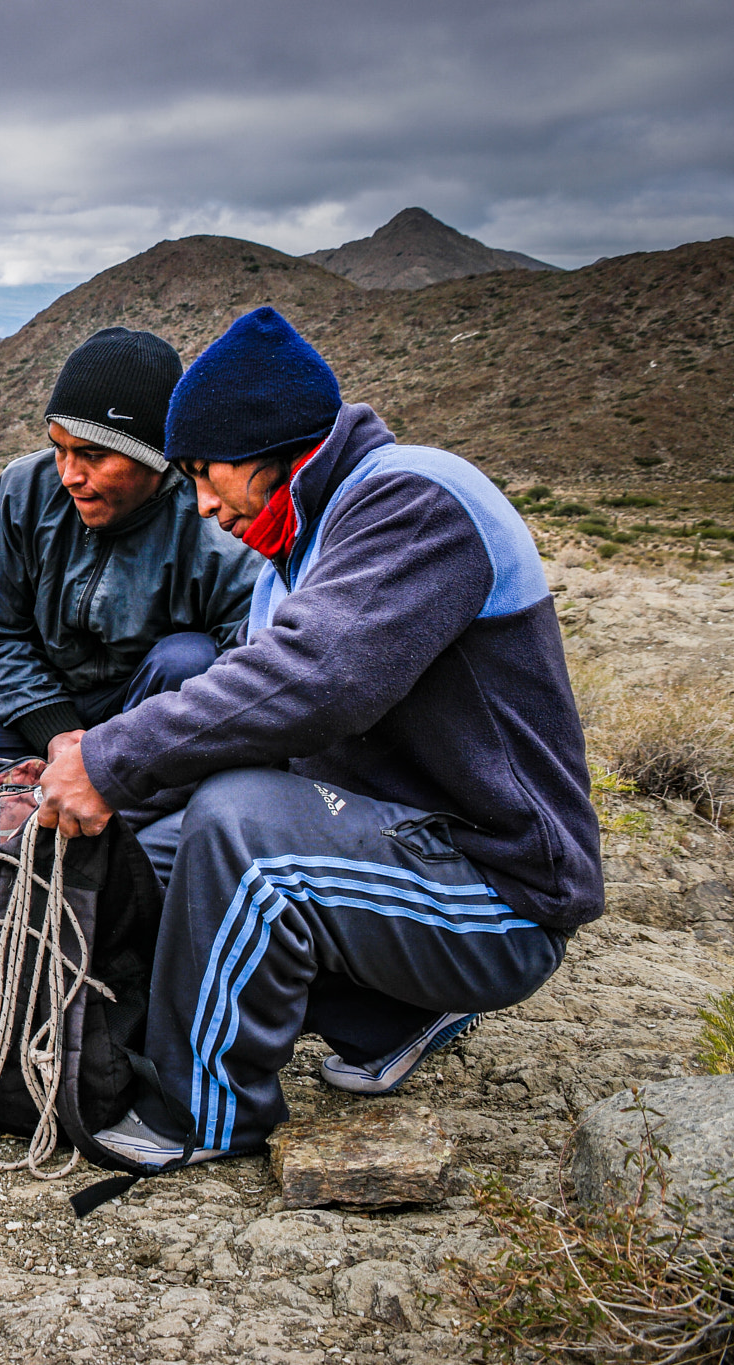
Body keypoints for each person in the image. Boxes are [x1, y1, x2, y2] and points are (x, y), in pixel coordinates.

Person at [32, 306, 602, 1168]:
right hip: (402, 849)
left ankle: (203, 1114)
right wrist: (119, 800)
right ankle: (390, 1014)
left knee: (240, 829)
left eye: (205, 472)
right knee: (162, 840)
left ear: (265, 445)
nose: (202, 503)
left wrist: (110, 759)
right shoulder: (302, 547)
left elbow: (315, 681)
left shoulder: (414, 500)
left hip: (499, 890)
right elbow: (259, 729)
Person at [0, 327, 262, 792]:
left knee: (187, 659)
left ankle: (134, 814)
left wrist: (115, 751)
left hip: (157, 713)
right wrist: (54, 731)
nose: (70, 475)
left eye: (94, 455)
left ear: (154, 458)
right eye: (60, 448)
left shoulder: (212, 526)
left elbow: (249, 663)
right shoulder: (23, 489)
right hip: (52, 698)